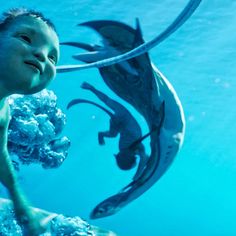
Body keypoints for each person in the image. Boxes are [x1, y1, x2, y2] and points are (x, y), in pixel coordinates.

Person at [0, 8, 59, 235]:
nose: (42, 55)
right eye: (26, 38)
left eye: (52, 57)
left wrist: (19, 200)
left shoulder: (3, 110)